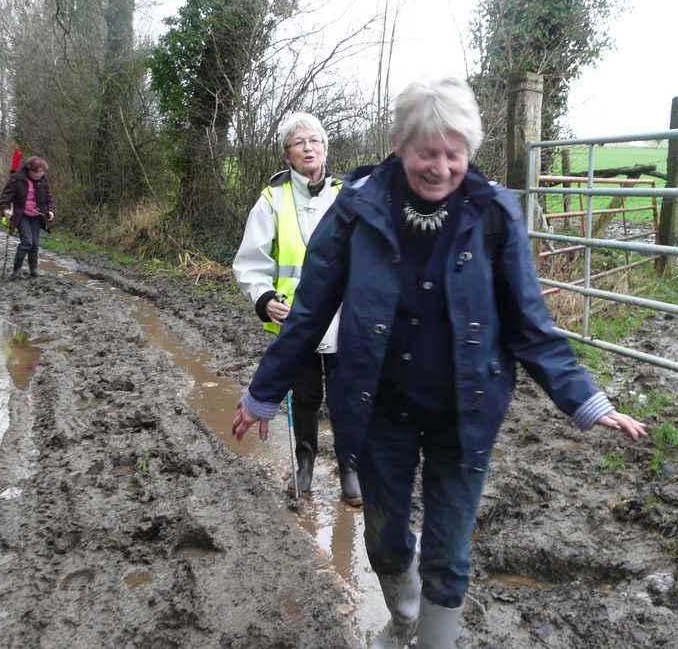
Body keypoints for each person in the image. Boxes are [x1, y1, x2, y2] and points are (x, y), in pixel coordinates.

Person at [232, 78, 647, 648]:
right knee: (386, 538)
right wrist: (262, 394)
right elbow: (309, 313)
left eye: (455, 152)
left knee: (450, 552)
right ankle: (403, 617)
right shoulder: (356, 209)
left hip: (464, 412)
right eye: (427, 151)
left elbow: (532, 326)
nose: (441, 166)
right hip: (378, 409)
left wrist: (586, 400)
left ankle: (434, 640)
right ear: (400, 145)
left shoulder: (494, 213)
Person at [232, 112, 362, 507]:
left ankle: (349, 469)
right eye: (299, 143)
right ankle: (304, 464)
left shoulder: (348, 194)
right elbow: (251, 260)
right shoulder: (273, 198)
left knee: (346, 398)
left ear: (325, 148)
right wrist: (264, 297)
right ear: (287, 155)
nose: (308, 148)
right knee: (304, 397)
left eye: (315, 141)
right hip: (295, 321)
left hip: (345, 319)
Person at [0, 155, 55, 280]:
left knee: (34, 244)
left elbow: (48, 196)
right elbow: (5, 197)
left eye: (42, 172)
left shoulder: (42, 179)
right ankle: (16, 270)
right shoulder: (17, 179)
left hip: (37, 215)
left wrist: (51, 210)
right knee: (27, 242)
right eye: (38, 172)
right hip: (22, 215)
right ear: (30, 170)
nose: (41, 174)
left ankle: (33, 269)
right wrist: (5, 209)